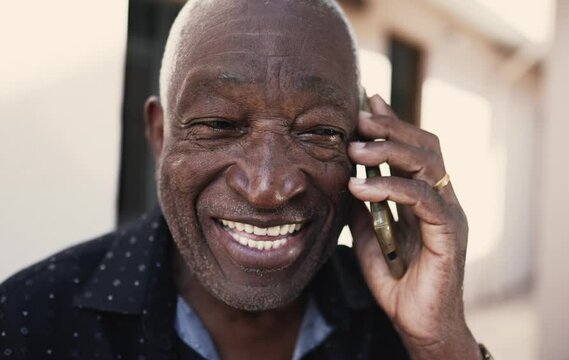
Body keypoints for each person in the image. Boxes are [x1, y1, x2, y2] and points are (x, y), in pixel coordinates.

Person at [0, 0, 490, 359]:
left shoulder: (397, 324)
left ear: (363, 147)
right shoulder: (29, 324)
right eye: (217, 125)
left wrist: (442, 344)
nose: (266, 187)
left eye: (319, 131)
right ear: (158, 134)